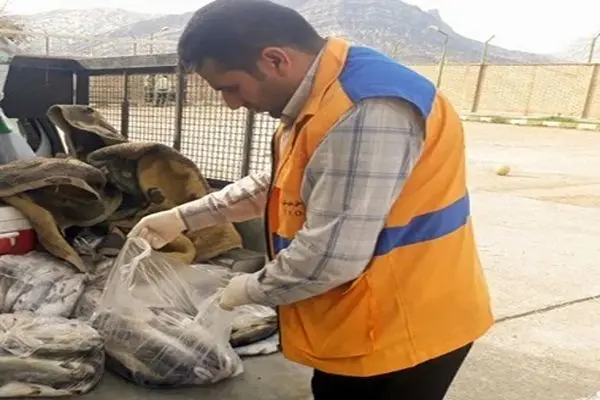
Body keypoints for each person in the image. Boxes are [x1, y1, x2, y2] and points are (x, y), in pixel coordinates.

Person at [128, 0, 494, 398]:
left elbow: (330, 258)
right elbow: (284, 182)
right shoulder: (321, 94)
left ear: (275, 60)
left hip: (403, 327)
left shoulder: (364, 109)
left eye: (230, 87)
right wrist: (185, 216)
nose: (230, 103)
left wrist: (245, 290)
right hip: (365, 317)